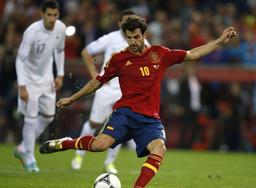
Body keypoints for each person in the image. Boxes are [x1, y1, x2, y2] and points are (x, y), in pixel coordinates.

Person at [39, 17, 237, 187]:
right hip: (125, 113)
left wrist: (219, 41)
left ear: (144, 34)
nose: (133, 41)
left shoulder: (159, 54)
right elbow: (96, 82)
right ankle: (65, 144)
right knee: (99, 146)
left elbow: (192, 54)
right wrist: (72, 98)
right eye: (129, 37)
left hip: (150, 119)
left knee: (159, 148)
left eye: (136, 36)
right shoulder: (119, 59)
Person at [71, 9, 150, 173]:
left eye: (131, 20)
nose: (128, 24)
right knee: (94, 123)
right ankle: (79, 155)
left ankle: (109, 162)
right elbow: (86, 51)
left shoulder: (144, 43)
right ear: (119, 23)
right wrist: (94, 74)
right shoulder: (111, 38)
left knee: (121, 126)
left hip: (126, 92)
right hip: (106, 89)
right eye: (125, 21)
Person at [14, 0, 66, 172]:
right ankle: (29, 157)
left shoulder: (60, 28)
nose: (52, 18)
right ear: (42, 14)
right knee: (31, 117)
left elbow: (59, 50)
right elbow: (20, 59)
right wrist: (22, 85)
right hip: (29, 80)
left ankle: (22, 147)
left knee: (48, 116)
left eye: (55, 15)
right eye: (49, 15)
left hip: (47, 79)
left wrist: (60, 74)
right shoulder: (32, 32)